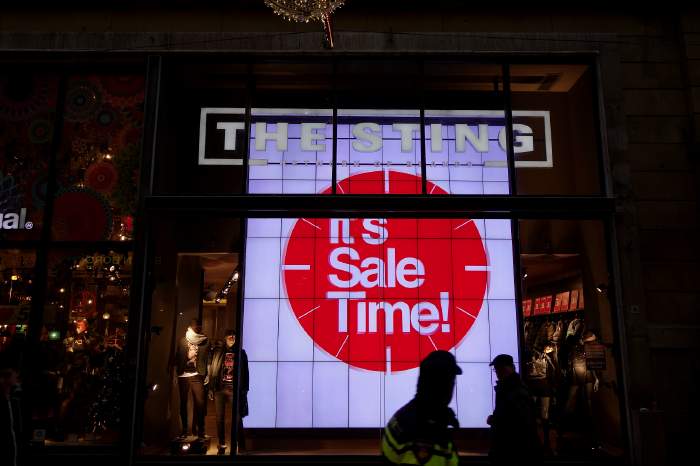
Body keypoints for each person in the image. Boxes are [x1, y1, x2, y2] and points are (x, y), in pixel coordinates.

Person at [382, 350, 461, 466]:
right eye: (451, 380)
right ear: (441, 385)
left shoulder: (406, 414)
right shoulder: (427, 432)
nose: (452, 386)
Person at [487, 354, 542, 464]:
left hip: (513, 451)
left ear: (507, 368)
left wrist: (494, 420)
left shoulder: (513, 390)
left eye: (498, 368)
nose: (496, 372)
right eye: (496, 369)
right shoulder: (513, 387)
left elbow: (518, 421)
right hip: (513, 449)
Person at [208, 329, 249, 455]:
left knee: (237, 418)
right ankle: (221, 443)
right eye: (229, 336)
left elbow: (246, 373)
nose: (232, 337)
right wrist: (211, 387)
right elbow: (213, 369)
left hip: (234, 389)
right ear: (225, 338)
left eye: (234, 336)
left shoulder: (241, 353)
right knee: (219, 418)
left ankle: (240, 444)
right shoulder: (218, 351)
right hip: (220, 388)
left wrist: (244, 389)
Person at [175, 319, 209, 439]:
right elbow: (177, 356)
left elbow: (207, 358)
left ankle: (200, 430)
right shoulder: (183, 340)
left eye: (200, 326)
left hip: (197, 374)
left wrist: (207, 373)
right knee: (183, 403)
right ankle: (184, 429)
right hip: (183, 375)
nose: (198, 328)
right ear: (191, 327)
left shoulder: (204, 341)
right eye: (196, 326)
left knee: (200, 403)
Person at [0, 360, 21, 466]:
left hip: (13, 446)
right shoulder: (5, 400)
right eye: (14, 374)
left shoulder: (14, 399)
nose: (17, 376)